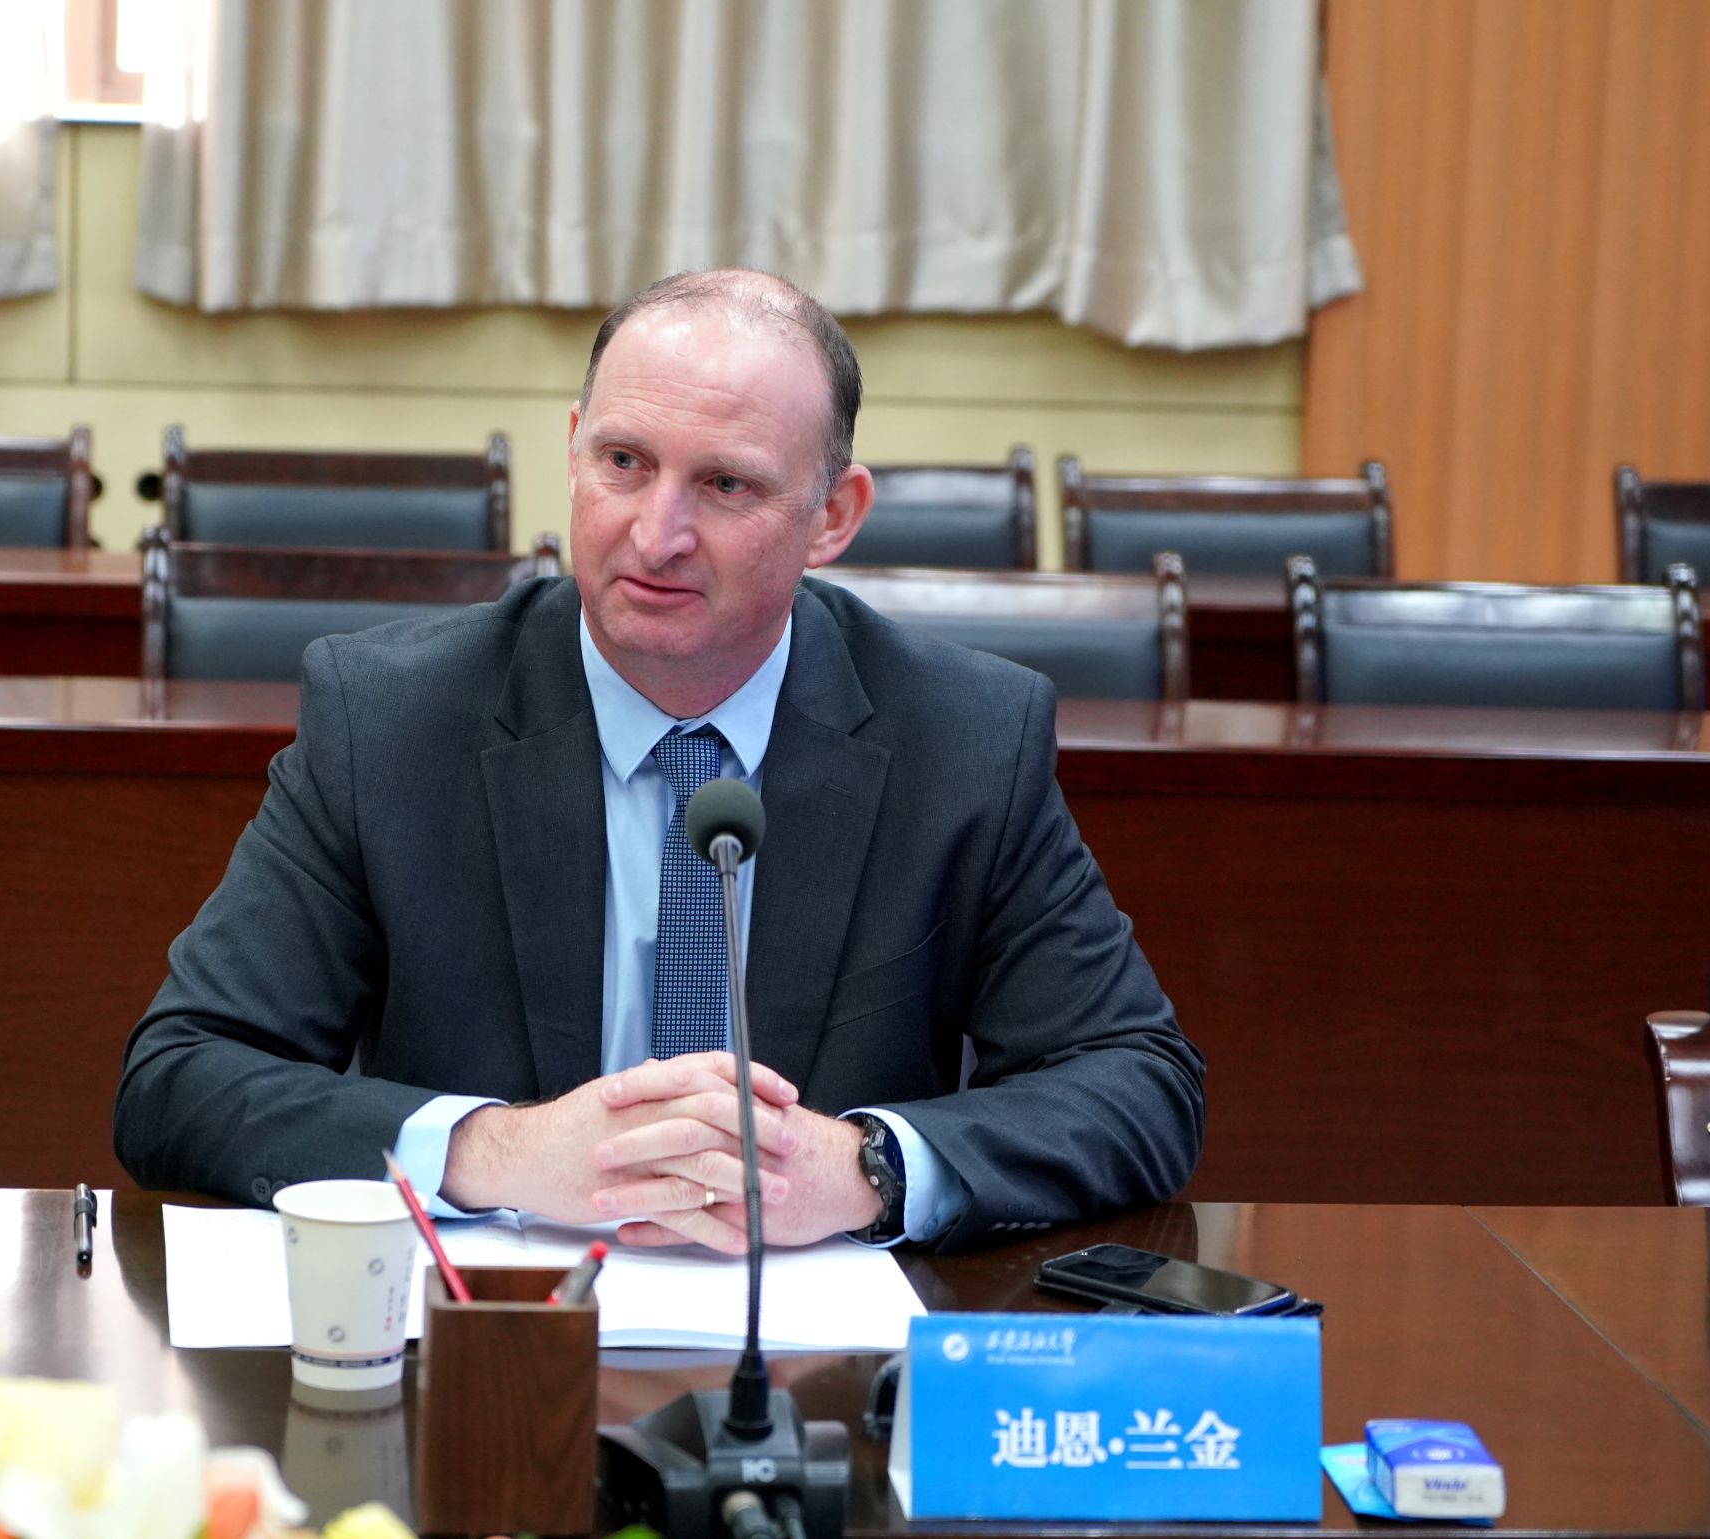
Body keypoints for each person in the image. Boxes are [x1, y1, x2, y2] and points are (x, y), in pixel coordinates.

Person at [114, 269, 1203, 1254]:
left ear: (832, 515)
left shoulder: (962, 739)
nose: (655, 533)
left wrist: (865, 1169)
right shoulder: (392, 719)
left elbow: (1138, 1083)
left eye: (726, 485)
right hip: (497, 1350)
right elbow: (181, 1075)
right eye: (624, 463)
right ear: (574, 448)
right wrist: (498, 1151)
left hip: (819, 1353)